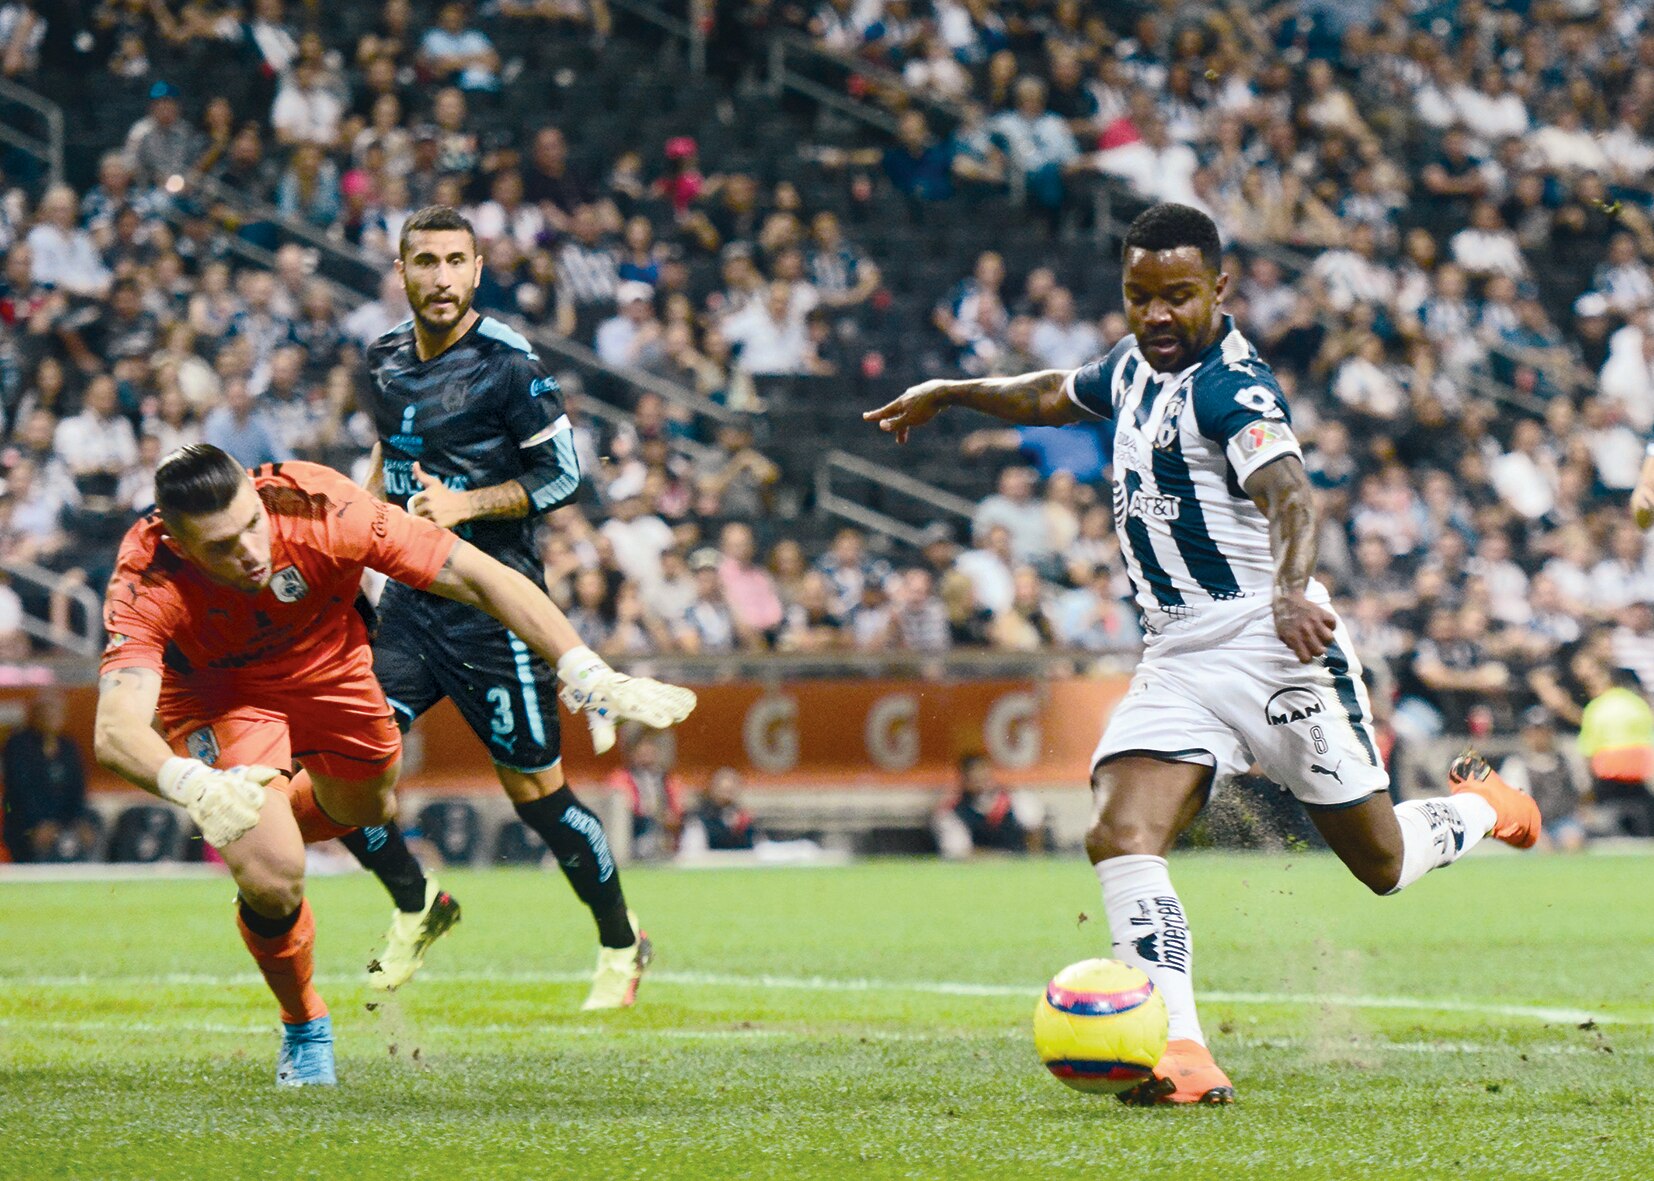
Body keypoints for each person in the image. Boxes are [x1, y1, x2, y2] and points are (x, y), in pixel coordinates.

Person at [865, 202, 1539, 1106]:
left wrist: (1294, 590)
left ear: (1220, 289)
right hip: (1177, 654)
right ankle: (1183, 1050)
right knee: (1119, 831)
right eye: (1139, 296)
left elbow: (1294, 498)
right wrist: (951, 394)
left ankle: (1483, 809)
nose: (1157, 316)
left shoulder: (1234, 387)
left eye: (1177, 296)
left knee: (1381, 863)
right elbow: (1049, 389)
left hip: (1271, 646)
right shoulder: (1132, 365)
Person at [94, 445, 694, 1086]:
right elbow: (115, 726)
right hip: (222, 696)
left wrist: (585, 669)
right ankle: (304, 1021)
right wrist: (189, 781)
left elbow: (481, 577)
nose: (248, 551)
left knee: (368, 809)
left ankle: (267, 821)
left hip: (334, 669)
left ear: (256, 497)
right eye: (221, 545)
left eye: (250, 525)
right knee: (273, 878)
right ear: (181, 545)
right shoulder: (148, 577)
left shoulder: (322, 507)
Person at [359, 205, 659, 1009]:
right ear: (403, 271)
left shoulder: (509, 365)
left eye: (457, 260)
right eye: (426, 261)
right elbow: (387, 456)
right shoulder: (381, 359)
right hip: (409, 608)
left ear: (479, 270)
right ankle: (418, 903)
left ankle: (621, 942)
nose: (442, 277)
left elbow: (564, 476)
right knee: (344, 766)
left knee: (540, 800)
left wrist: (467, 505)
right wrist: (355, 539)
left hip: (498, 610)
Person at [2, 691, 97, 863]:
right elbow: (20, 790)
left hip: (64, 821)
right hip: (27, 822)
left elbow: (77, 788)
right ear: (36, 714)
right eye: (46, 711)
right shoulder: (18, 746)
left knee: (91, 828)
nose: (51, 716)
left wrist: (78, 819)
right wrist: (38, 822)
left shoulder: (68, 747)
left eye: (56, 711)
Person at [934, 754, 1039, 858]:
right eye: (974, 777)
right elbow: (959, 852)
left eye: (983, 774)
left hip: (1020, 866)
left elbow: (1034, 831)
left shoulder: (1015, 798)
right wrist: (1000, 858)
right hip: (978, 869)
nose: (980, 781)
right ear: (964, 779)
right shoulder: (953, 812)